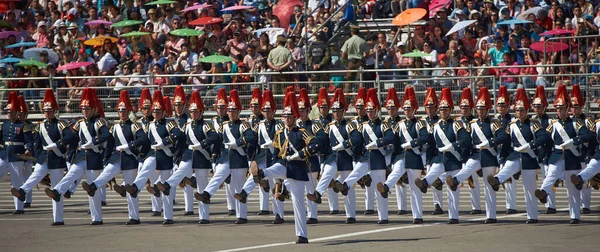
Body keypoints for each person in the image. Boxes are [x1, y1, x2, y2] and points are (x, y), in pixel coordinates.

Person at [250, 90, 320, 244]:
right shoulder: (280, 133)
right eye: (285, 116)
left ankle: (302, 235)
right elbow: (275, 153)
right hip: (283, 165)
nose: (287, 119)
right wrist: (278, 181)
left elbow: (315, 144)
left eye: (290, 116)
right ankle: (261, 173)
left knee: (298, 203)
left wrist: (301, 153)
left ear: (295, 117)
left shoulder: (302, 132)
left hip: (298, 168)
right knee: (275, 168)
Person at [80, 90, 149, 225]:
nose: (122, 113)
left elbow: (144, 139)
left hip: (130, 158)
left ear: (128, 111)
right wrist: (106, 158)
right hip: (116, 157)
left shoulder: (134, 125)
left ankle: (134, 217)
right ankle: (93, 186)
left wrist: (130, 145)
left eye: (124, 111)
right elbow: (110, 143)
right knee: (107, 172)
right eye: (119, 111)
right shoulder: (115, 127)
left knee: (130, 189)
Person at [44, 88, 110, 225]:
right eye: (83, 108)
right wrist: (69, 153)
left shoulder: (99, 122)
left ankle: (96, 218)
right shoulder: (79, 123)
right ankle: (57, 191)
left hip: (94, 156)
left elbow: (106, 135)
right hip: (81, 156)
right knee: (71, 174)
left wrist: (94, 141)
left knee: (92, 189)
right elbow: (73, 139)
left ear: (93, 109)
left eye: (87, 108)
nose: (84, 111)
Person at [11, 89, 76, 225]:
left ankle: (58, 219)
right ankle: (22, 191)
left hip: (57, 158)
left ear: (54, 110)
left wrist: (57, 145)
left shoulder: (60, 124)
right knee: (36, 175)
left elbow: (69, 137)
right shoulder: (40, 126)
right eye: (46, 110)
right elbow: (37, 143)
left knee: (55, 189)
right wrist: (36, 155)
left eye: (50, 110)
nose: (48, 113)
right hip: (43, 158)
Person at [155, 91, 220, 224]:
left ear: (201, 112)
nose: (193, 114)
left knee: (201, 186)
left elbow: (214, 137)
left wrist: (201, 145)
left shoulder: (206, 124)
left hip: (202, 156)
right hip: (188, 154)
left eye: (196, 111)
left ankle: (204, 217)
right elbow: (180, 138)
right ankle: (167, 185)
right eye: (191, 112)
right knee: (181, 171)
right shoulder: (187, 125)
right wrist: (177, 155)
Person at [195, 90, 257, 224]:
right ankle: (206, 194)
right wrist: (214, 157)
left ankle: (242, 216)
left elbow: (251, 137)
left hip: (239, 158)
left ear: (239, 111)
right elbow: (217, 140)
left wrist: (238, 142)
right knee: (218, 176)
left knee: (239, 187)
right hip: (225, 157)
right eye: (229, 110)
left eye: (233, 110)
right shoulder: (223, 125)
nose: (230, 112)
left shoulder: (243, 124)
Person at [488, 88, 550, 224]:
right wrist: (495, 145)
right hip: (515, 154)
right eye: (517, 110)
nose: (519, 113)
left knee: (529, 189)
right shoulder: (512, 125)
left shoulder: (534, 124)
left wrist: (530, 145)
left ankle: (532, 216)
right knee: (508, 168)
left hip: (529, 157)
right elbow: (504, 138)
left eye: (522, 110)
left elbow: (543, 137)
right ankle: (497, 180)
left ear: (527, 111)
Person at [535, 85, 593, 224]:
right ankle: (543, 192)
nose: (559, 111)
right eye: (557, 109)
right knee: (551, 174)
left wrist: (573, 142)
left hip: (572, 156)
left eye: (561, 108)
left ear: (567, 108)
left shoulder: (575, 122)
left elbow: (587, 134)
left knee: (572, 189)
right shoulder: (553, 124)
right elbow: (545, 136)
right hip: (557, 155)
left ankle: (575, 216)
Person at [448, 87, 508, 223]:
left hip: (489, 156)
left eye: (482, 109)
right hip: (476, 154)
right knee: (468, 168)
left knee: (489, 186)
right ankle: (455, 181)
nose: (480, 111)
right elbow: (467, 139)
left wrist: (490, 143)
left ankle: (491, 216)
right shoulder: (472, 124)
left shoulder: (494, 122)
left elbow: (503, 136)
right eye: (479, 109)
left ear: (487, 109)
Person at [125, 90, 183, 225]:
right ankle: (135, 187)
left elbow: (177, 135)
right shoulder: (150, 125)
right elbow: (146, 141)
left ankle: (168, 217)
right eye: (154, 111)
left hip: (166, 157)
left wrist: (165, 142)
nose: (155, 113)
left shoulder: (169, 123)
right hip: (153, 155)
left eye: (158, 111)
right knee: (146, 169)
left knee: (165, 187)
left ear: (163, 112)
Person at [415, 88, 471, 224]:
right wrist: (429, 160)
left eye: (445, 109)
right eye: (441, 109)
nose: (442, 112)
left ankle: (453, 216)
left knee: (452, 188)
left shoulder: (456, 124)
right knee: (434, 170)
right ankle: (425, 183)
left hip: (453, 158)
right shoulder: (435, 126)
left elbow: (466, 140)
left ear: (450, 110)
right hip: (440, 157)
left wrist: (453, 146)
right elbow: (430, 144)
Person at [307, 89, 363, 224]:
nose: (336, 113)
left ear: (343, 111)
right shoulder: (330, 126)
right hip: (333, 157)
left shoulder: (349, 125)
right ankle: (318, 194)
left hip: (345, 158)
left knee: (346, 186)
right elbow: (323, 140)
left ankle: (351, 215)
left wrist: (344, 144)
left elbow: (357, 139)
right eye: (334, 111)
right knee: (327, 173)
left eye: (338, 111)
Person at [236, 89, 285, 224]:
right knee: (254, 175)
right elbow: (253, 141)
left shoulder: (279, 124)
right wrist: (251, 158)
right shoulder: (259, 125)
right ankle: (244, 193)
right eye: (264, 110)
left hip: (275, 156)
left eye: (269, 110)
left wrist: (273, 143)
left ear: (274, 111)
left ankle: (279, 215)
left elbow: (283, 140)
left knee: (275, 185)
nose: (266, 112)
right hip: (262, 156)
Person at [379, 87, 428, 221]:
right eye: (405, 109)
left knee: (414, 187)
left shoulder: (419, 123)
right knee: (397, 170)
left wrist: (412, 144)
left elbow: (424, 137)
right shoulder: (399, 124)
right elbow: (392, 137)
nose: (407, 111)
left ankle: (417, 216)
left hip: (415, 155)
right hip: (402, 155)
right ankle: (386, 187)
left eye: (409, 109)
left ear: (414, 110)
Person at [447, 88, 482, 215]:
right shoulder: (457, 121)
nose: (464, 109)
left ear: (471, 107)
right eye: (462, 106)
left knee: (473, 181)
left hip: (472, 153)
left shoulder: (476, 121)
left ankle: (476, 207)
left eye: (466, 106)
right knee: (455, 180)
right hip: (459, 154)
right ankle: (454, 209)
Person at [296, 88, 326, 224]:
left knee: (311, 188)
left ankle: (312, 215)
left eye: (303, 110)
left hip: (311, 160)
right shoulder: (294, 126)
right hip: (297, 161)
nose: (301, 113)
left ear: (308, 111)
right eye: (299, 110)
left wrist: (310, 149)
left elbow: (321, 139)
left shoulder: (314, 125)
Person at [1, 92, 33, 215]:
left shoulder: (22, 125)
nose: (9, 114)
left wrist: (28, 149)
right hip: (4, 154)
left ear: (16, 112)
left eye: (11, 112)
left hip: (16, 155)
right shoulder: (4, 125)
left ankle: (19, 207)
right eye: (8, 112)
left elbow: (29, 140)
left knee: (17, 181)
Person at [568, 85, 594, 215]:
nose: (574, 109)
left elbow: (591, 135)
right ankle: (574, 206)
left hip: (585, 153)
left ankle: (586, 205)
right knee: (573, 181)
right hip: (573, 155)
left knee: (585, 183)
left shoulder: (587, 120)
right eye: (572, 107)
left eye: (576, 107)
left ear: (581, 107)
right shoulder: (568, 121)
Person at [313, 88, 339, 214]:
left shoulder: (333, 121)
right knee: (328, 180)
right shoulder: (316, 122)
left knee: (328, 176)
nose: (323, 109)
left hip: (331, 153)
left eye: (325, 107)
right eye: (321, 107)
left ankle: (334, 207)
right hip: (320, 155)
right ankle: (332, 207)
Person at [171, 86, 196, 216]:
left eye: (179, 105)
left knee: (187, 182)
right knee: (173, 178)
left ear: (184, 105)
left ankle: (189, 208)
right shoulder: (171, 120)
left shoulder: (188, 120)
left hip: (186, 152)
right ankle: (169, 204)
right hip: (174, 153)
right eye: (175, 105)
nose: (177, 107)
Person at [210, 88, 235, 216]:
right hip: (216, 153)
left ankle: (232, 206)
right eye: (219, 107)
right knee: (225, 181)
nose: (221, 109)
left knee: (230, 181)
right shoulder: (213, 121)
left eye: (223, 107)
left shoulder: (229, 121)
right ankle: (230, 205)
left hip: (227, 152)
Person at [530, 86, 555, 214]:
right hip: (536, 153)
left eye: (539, 106)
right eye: (535, 106)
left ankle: (551, 205)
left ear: (544, 107)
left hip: (547, 152)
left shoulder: (550, 120)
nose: (537, 109)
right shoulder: (532, 120)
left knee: (547, 178)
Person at [350, 88, 374, 215]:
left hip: (367, 153)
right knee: (355, 179)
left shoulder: (369, 120)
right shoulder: (353, 122)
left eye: (362, 107)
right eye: (358, 107)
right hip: (355, 155)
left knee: (368, 181)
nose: (360, 109)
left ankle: (369, 207)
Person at [421, 88, 444, 215]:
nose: (429, 109)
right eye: (427, 107)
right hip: (426, 153)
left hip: (438, 152)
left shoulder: (440, 121)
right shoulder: (422, 122)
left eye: (432, 106)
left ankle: (438, 205)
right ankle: (436, 204)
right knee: (432, 179)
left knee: (437, 180)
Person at [496, 86, 518, 214]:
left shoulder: (511, 120)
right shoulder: (495, 119)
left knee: (508, 180)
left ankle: (511, 206)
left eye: (503, 106)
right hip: (497, 152)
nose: (501, 108)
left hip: (508, 151)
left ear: (508, 107)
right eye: (499, 105)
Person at [341, 25, 367, 90]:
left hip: (351, 62)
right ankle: (361, 97)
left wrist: (348, 60)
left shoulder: (348, 41)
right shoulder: (362, 41)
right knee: (360, 80)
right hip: (360, 62)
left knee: (349, 80)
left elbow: (343, 55)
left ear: (351, 32)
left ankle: (347, 98)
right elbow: (367, 54)